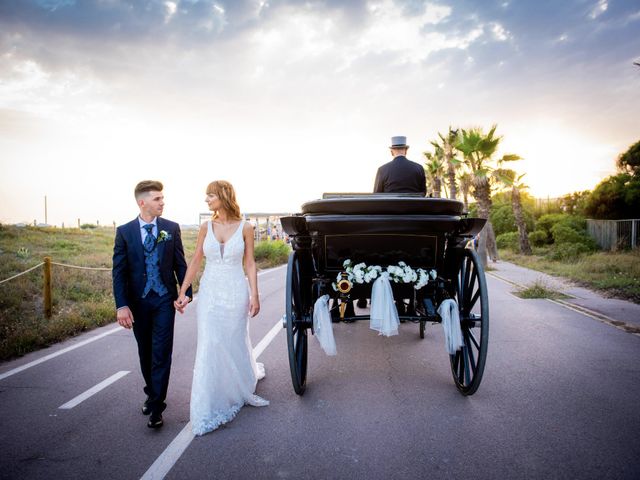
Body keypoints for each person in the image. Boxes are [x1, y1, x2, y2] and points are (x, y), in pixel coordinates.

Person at [175, 180, 268, 436]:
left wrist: (255, 295)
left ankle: (237, 384)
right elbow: (195, 260)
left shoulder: (246, 227)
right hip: (210, 294)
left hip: (236, 291)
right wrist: (183, 290)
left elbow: (249, 263)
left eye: (210, 196)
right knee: (210, 343)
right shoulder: (206, 226)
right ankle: (208, 401)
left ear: (224, 196)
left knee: (233, 340)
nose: (206, 200)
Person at [112, 180, 191, 429]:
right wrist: (121, 305)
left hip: (164, 301)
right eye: (157, 198)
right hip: (138, 303)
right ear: (142, 202)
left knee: (161, 352)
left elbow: (181, 264)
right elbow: (119, 272)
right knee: (145, 351)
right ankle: (151, 392)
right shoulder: (124, 232)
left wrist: (185, 292)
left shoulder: (171, 228)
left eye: (162, 198)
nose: (162, 202)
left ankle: (157, 405)